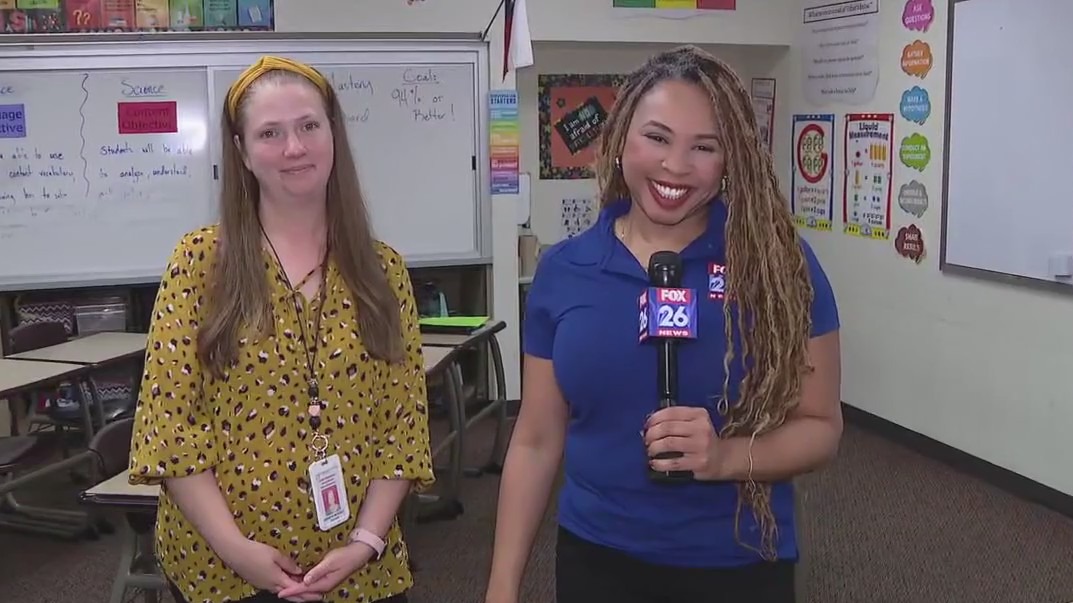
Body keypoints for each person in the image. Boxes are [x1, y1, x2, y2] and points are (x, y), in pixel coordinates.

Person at [485, 45, 842, 603]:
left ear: (731, 160)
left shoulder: (778, 267)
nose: (676, 166)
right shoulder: (566, 270)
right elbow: (534, 440)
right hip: (597, 557)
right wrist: (502, 588)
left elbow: (821, 427)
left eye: (705, 147)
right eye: (657, 137)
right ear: (621, 136)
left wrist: (725, 457)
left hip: (737, 563)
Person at [127, 56, 435, 603]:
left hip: (359, 568)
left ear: (333, 135)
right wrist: (234, 548)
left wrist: (365, 542)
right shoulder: (201, 263)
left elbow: (402, 426)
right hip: (222, 570)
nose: (295, 148)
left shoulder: (383, 270)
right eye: (270, 133)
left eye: (309, 126)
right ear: (242, 151)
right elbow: (170, 427)